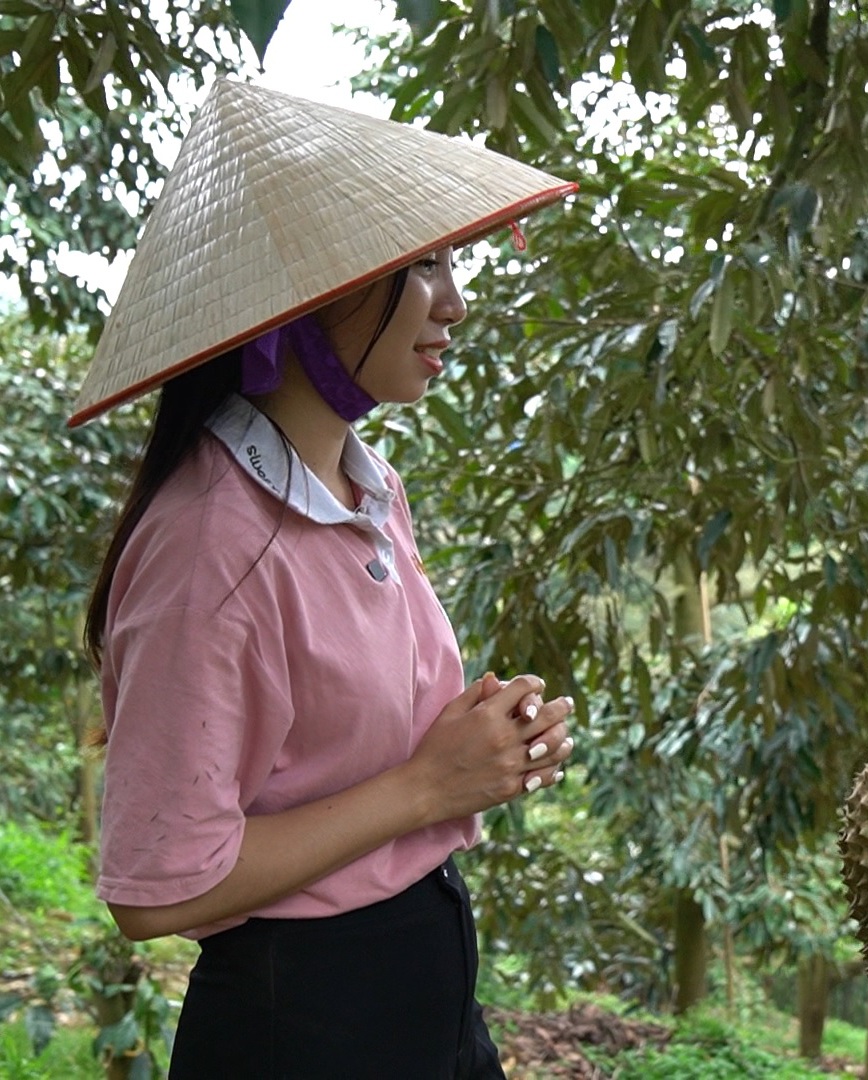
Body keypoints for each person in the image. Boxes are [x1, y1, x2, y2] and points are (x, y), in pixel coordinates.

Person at [73, 79, 581, 1078]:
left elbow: (339, 744)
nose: (454, 301)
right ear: (304, 303)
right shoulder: (207, 548)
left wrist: (486, 744)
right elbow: (156, 892)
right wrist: (428, 784)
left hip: (424, 983)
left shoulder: (366, 484)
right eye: (420, 264)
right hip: (301, 1021)